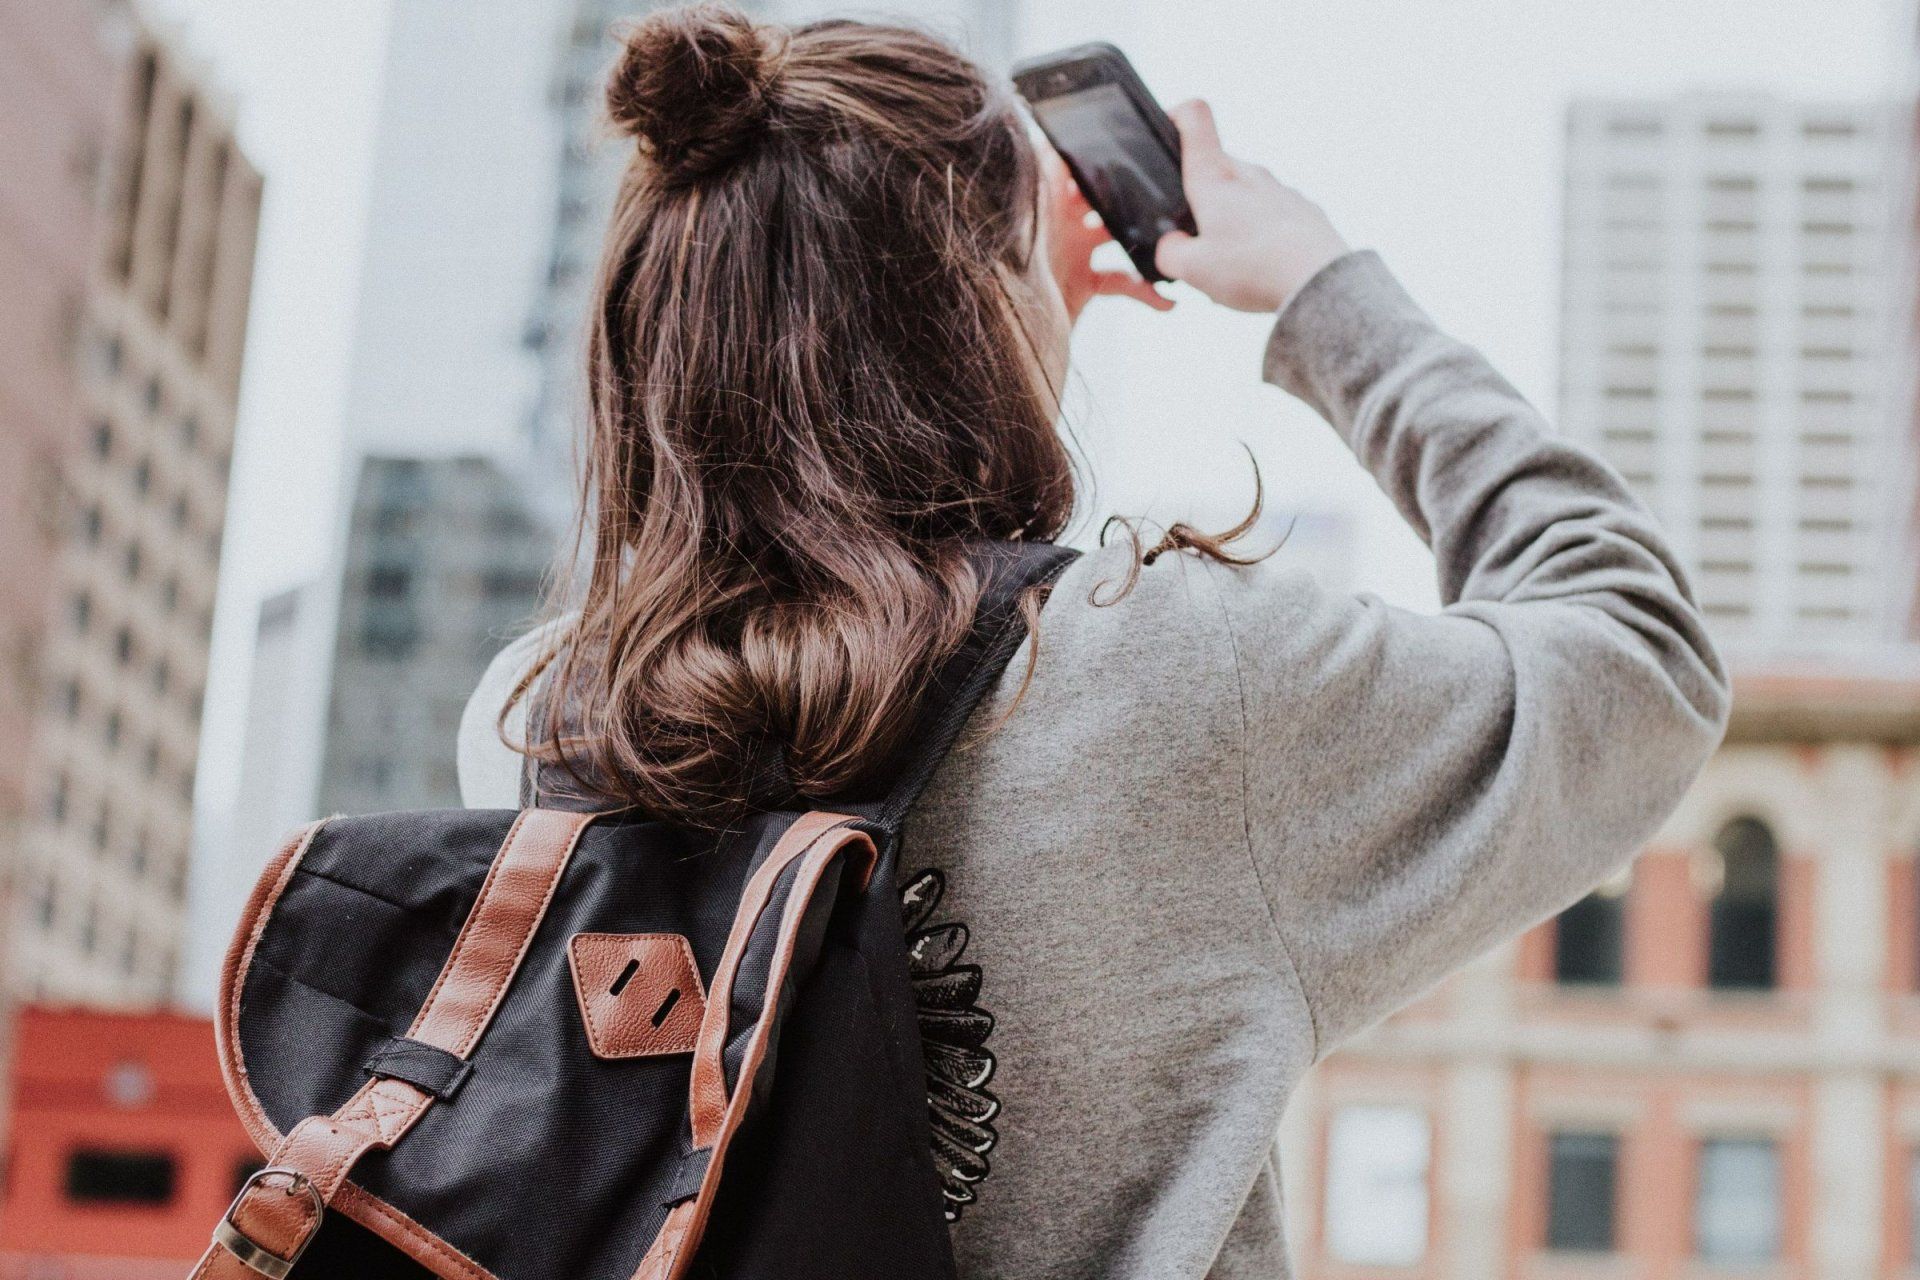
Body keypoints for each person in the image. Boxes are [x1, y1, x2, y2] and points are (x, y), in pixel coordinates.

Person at [458, 7, 1729, 1278]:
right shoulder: (1174, 679)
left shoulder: (538, 723)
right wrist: (1317, 287)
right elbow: (1639, 651)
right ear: (978, 309)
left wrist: (1009, 303)